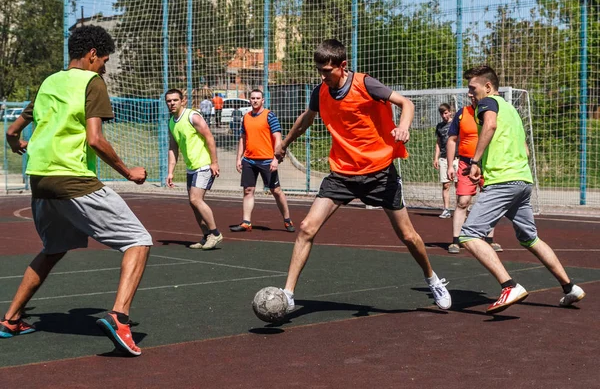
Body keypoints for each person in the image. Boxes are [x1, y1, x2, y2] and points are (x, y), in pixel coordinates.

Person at [1, 25, 152, 356]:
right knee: (138, 241)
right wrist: (129, 172)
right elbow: (95, 139)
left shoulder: (48, 83)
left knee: (53, 248)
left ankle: (11, 319)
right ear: (92, 55)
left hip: (40, 181)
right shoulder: (91, 82)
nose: (105, 68)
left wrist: (20, 144)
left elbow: (12, 131)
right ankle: (120, 317)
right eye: (104, 61)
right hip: (72, 179)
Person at [275, 39, 451, 311]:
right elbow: (306, 119)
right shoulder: (320, 91)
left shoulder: (365, 83)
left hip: (379, 173)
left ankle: (432, 279)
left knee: (408, 236)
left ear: (342, 66)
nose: (322, 76)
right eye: (319, 70)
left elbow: (405, 103)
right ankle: (287, 294)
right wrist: (284, 144)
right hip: (342, 174)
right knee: (307, 227)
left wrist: (403, 128)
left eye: (327, 71)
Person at [459, 65, 585, 313]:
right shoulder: (512, 110)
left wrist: (475, 162)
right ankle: (570, 288)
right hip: (523, 181)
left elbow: (490, 126)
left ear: (487, 86)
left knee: (469, 235)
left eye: (472, 89)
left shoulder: (488, 104)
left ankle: (509, 285)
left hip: (504, 182)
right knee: (530, 238)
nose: (469, 94)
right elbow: (525, 150)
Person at [165, 88, 223, 250]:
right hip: (192, 167)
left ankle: (216, 234)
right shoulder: (171, 122)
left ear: (182, 101)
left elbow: (209, 137)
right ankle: (206, 236)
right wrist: (170, 172)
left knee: (195, 199)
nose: (172, 103)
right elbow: (173, 148)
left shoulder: (192, 116)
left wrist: (214, 162)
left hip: (203, 164)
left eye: (175, 100)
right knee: (193, 203)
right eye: (169, 101)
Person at [230, 89, 295, 233]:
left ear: (263, 100)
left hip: (267, 160)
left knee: (276, 191)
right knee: (248, 190)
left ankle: (287, 219)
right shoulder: (246, 117)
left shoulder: (269, 116)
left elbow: (278, 138)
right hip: (249, 160)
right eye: (252, 98)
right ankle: (246, 222)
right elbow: (243, 139)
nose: (255, 100)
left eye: (258, 98)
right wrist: (238, 158)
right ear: (249, 100)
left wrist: (275, 159)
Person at [446, 98, 503, 254]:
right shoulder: (462, 114)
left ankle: (489, 239)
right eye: (469, 92)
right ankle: (456, 240)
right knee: (463, 201)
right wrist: (450, 165)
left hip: (488, 162)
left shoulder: (492, 112)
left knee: (491, 200)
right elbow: (452, 140)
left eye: (474, 91)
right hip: (466, 163)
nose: (472, 95)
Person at [433, 103, 458, 219]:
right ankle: (446, 209)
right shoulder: (439, 126)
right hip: (443, 158)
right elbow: (438, 143)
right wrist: (436, 158)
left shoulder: (456, 123)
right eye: (442, 113)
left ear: (450, 112)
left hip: (456, 158)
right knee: (446, 185)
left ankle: (460, 209)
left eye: (446, 113)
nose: (444, 115)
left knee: (459, 185)